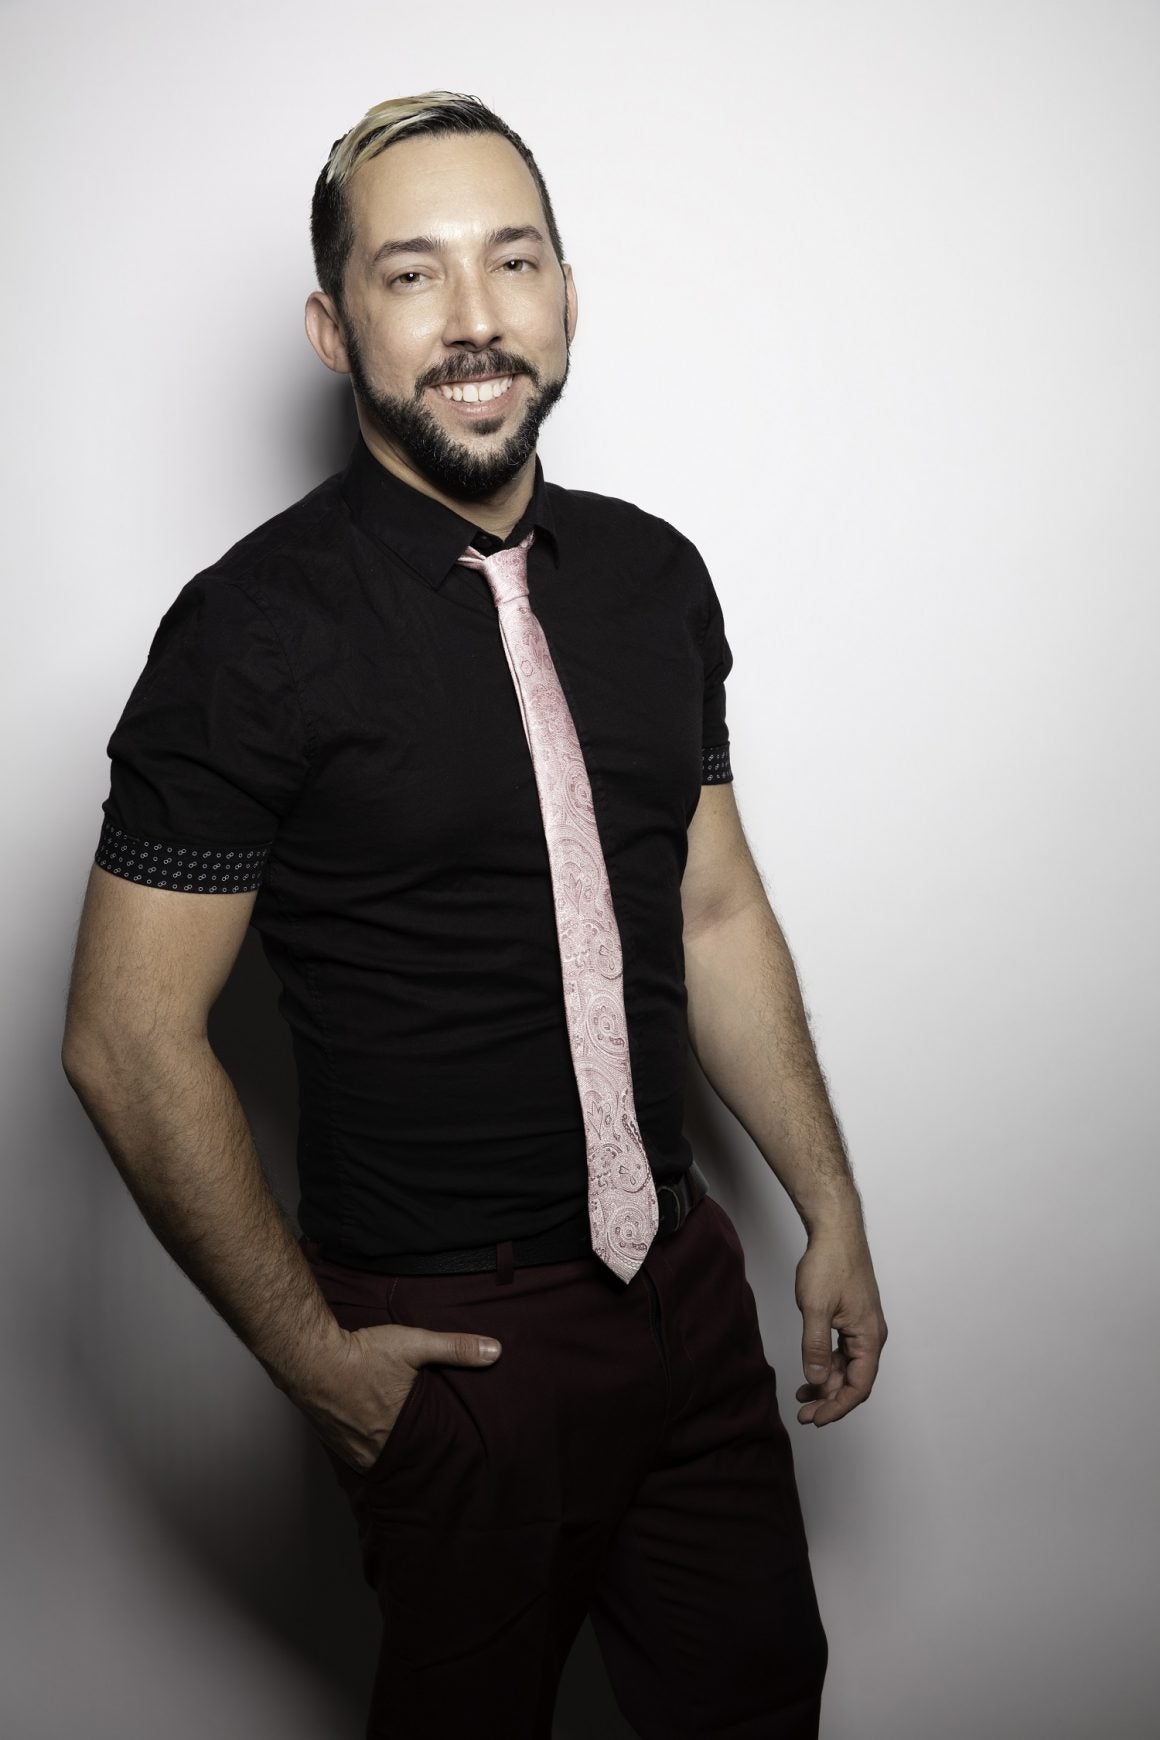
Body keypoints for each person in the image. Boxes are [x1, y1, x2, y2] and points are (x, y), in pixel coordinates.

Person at [61, 91, 888, 1740]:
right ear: (332, 328)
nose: (474, 318)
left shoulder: (655, 583)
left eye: (513, 262)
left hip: (687, 1306)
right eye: (411, 273)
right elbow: (126, 1039)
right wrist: (321, 1363)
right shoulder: (247, 636)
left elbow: (713, 911)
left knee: (757, 1708)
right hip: (455, 1342)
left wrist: (829, 1203)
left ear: (566, 295)